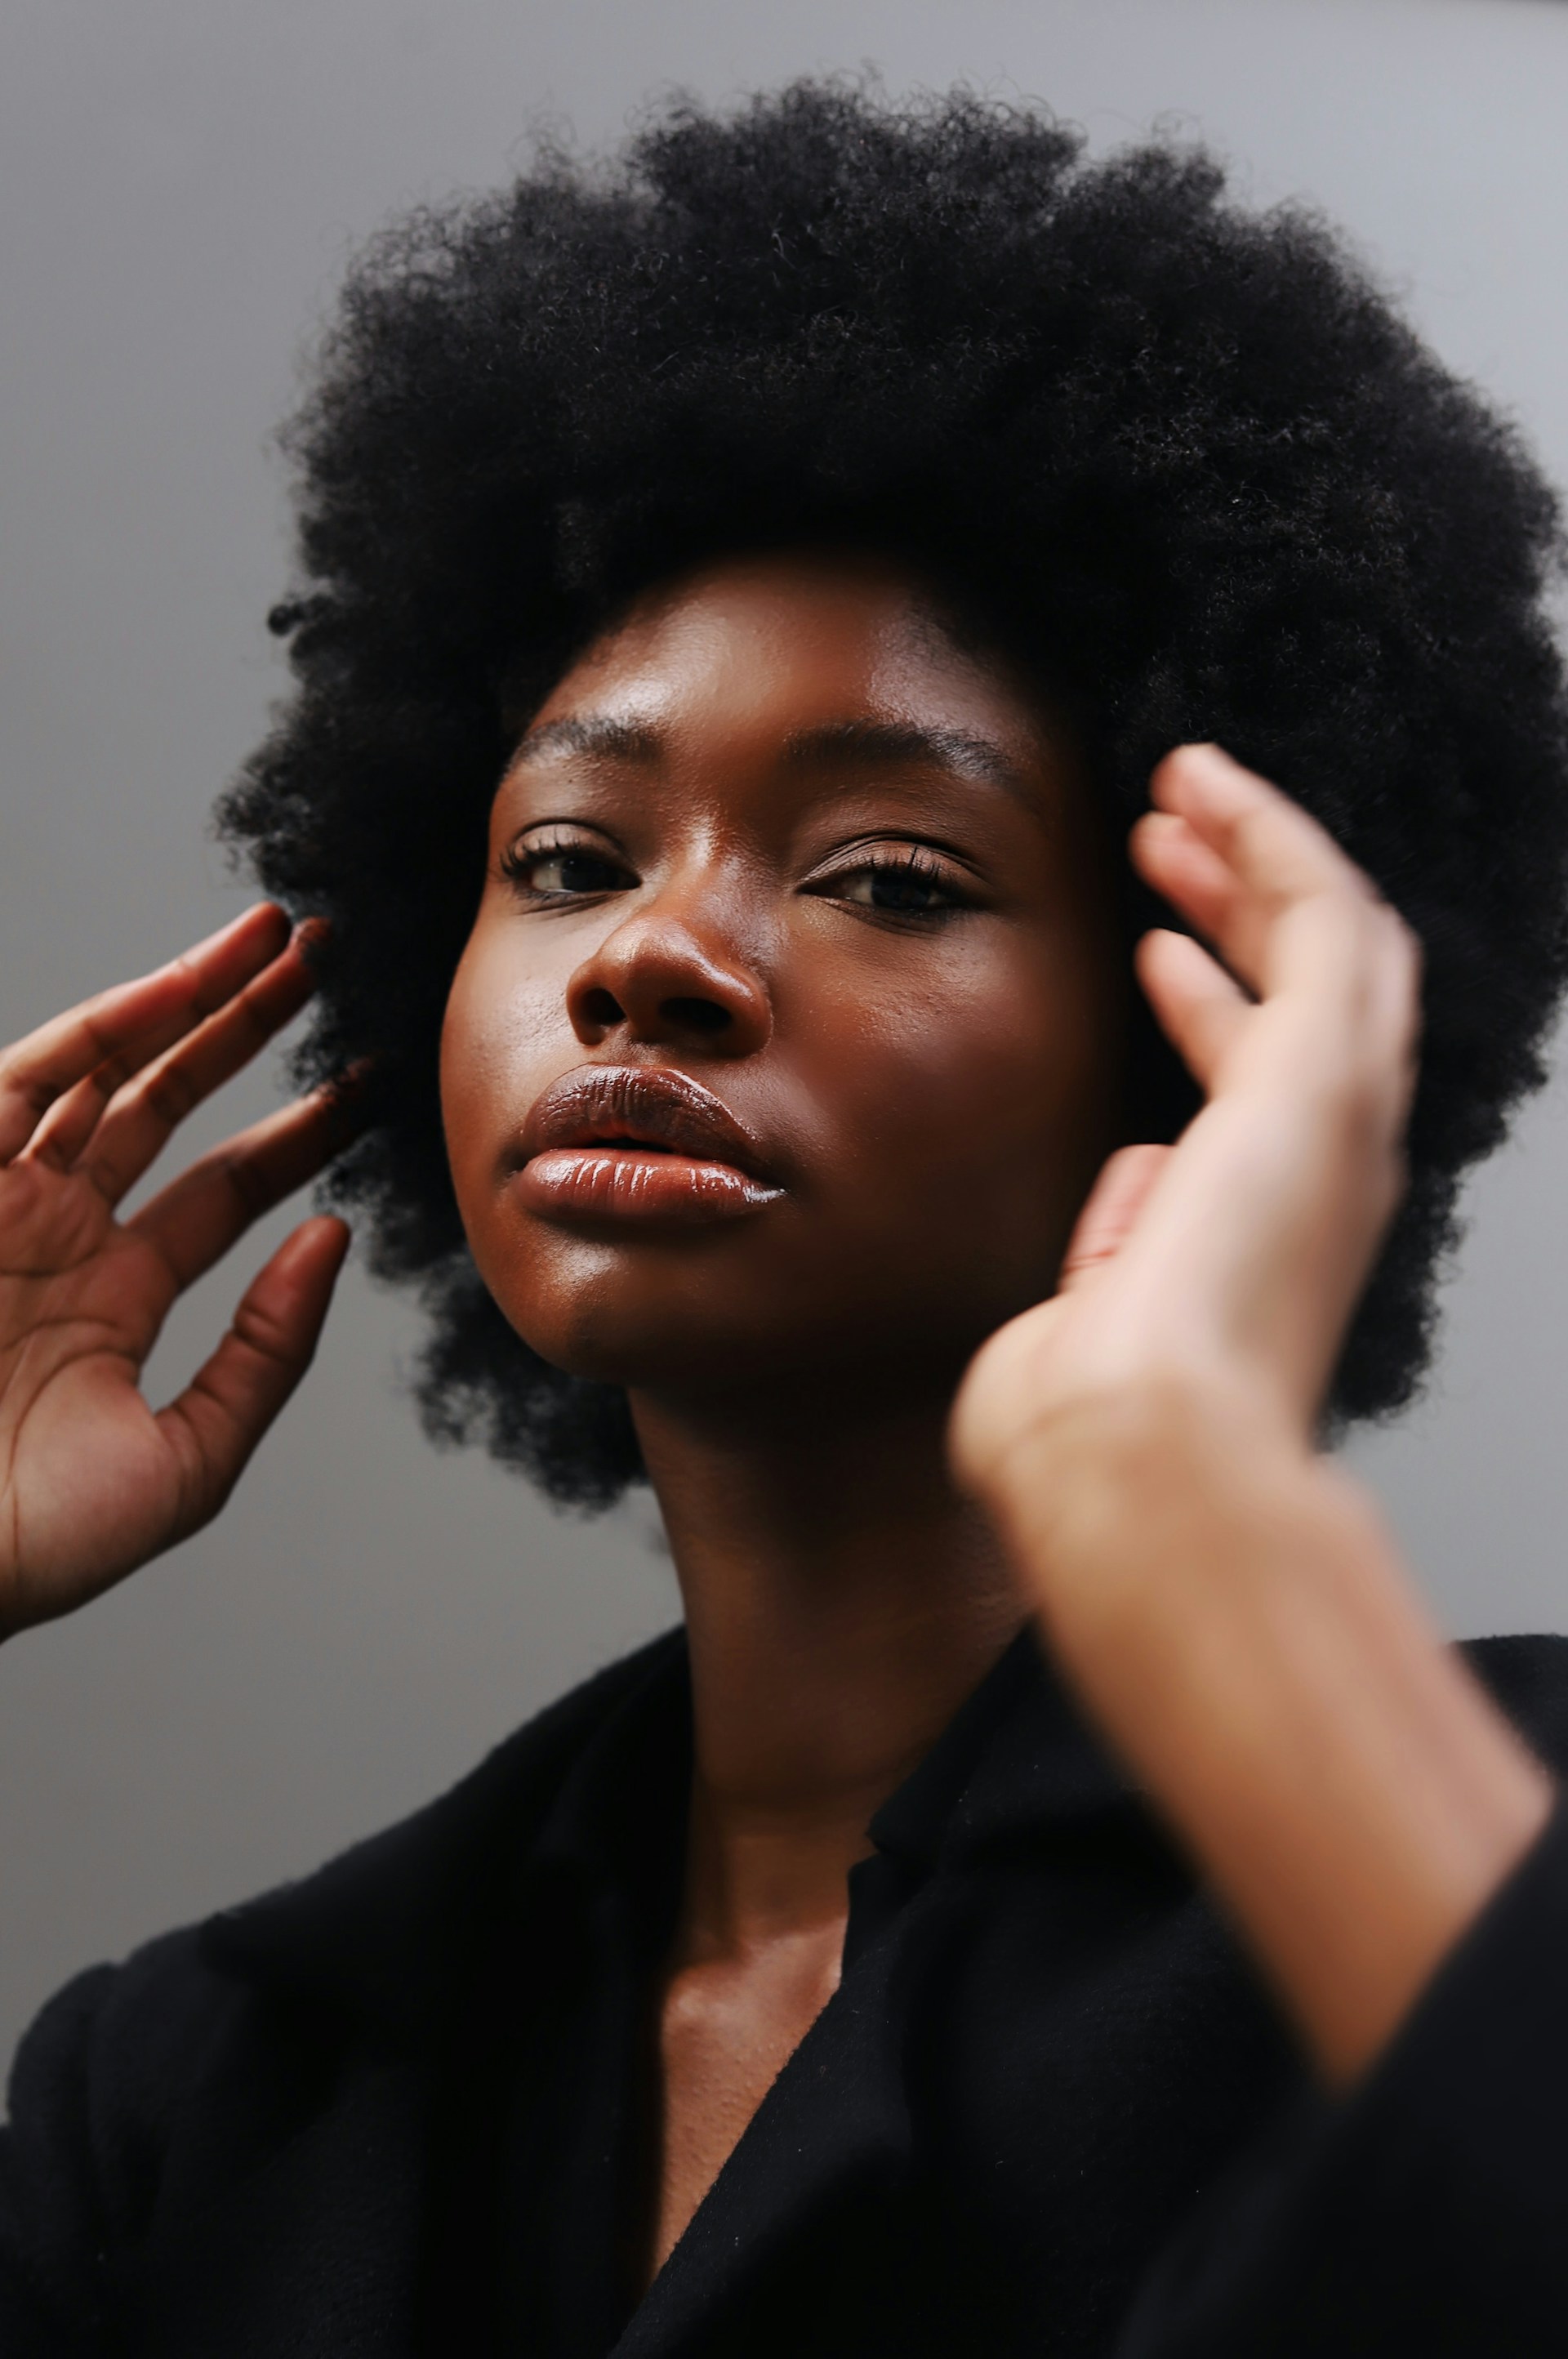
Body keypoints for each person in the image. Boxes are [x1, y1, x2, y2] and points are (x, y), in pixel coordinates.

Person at [1, 80, 1566, 2357]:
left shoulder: (1467, 1860)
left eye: (888, 879)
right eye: (566, 859)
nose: (649, 955)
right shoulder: (196, 2088)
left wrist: (1181, 1504)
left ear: (1193, 1046)